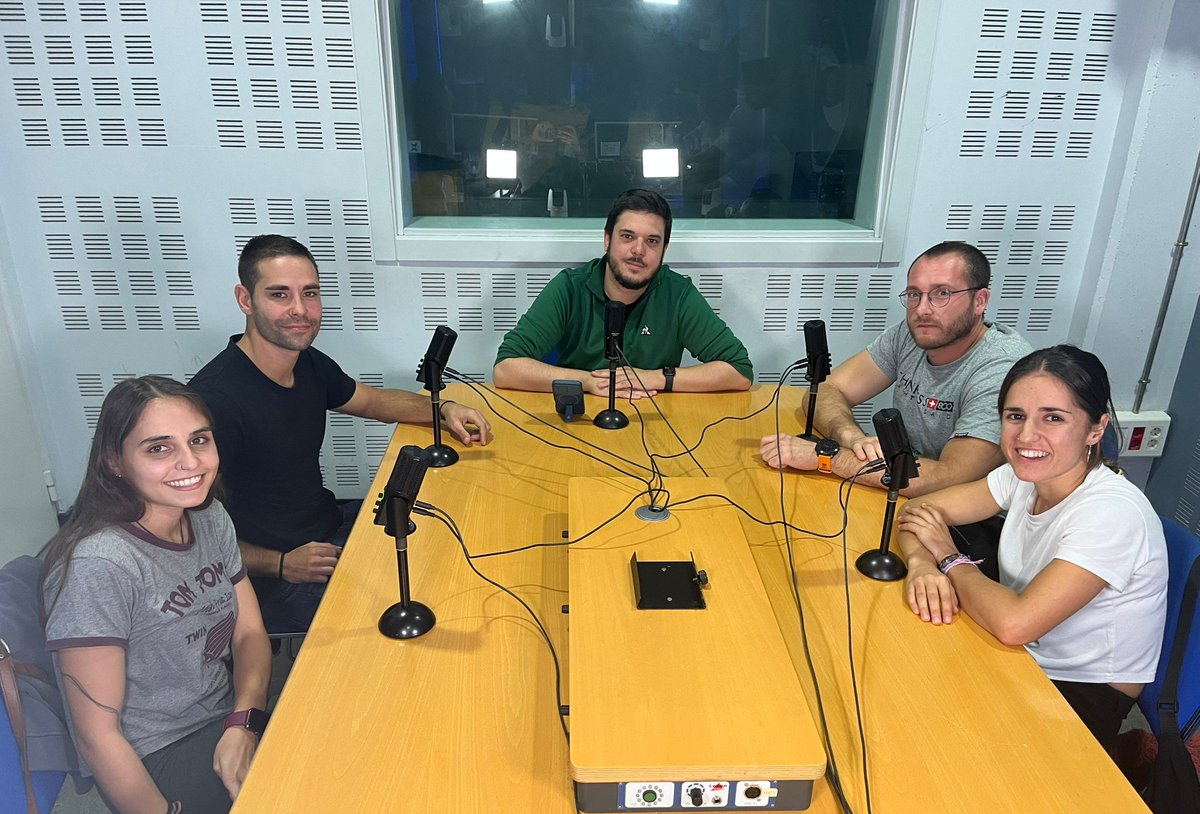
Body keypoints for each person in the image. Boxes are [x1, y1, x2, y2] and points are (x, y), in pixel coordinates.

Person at [190, 235, 492, 634]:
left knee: (447, 538)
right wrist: (280, 563)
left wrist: (444, 409)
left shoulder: (308, 363)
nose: (300, 310)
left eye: (309, 293)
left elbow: (374, 402)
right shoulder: (215, 402)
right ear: (245, 300)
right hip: (276, 576)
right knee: (421, 606)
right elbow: (185, 535)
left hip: (326, 526)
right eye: (280, 294)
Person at [42, 376, 271, 814]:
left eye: (199, 439)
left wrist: (244, 721)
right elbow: (98, 738)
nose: (189, 463)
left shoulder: (208, 516)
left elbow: (250, 633)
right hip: (152, 755)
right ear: (114, 462)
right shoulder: (100, 566)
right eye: (158, 448)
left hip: (220, 718)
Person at [896, 346, 1167, 752]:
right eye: (1015, 416)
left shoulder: (1112, 513)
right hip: (1018, 657)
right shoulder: (1024, 475)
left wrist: (949, 557)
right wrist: (921, 565)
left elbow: (1015, 624)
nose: (1026, 437)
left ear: (1096, 429)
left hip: (1077, 697)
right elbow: (918, 510)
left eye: (1053, 418)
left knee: (927, 733)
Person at [760, 241, 1032, 498]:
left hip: (962, 519)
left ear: (980, 300)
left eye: (942, 293)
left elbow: (947, 477)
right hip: (901, 489)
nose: (922, 309)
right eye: (915, 294)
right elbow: (827, 390)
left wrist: (826, 456)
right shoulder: (911, 335)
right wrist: (850, 436)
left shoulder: (1002, 370)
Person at [493, 188, 753, 399]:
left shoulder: (678, 294)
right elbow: (506, 369)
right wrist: (589, 381)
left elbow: (739, 371)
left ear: (664, 249)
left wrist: (654, 377)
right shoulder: (569, 288)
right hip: (581, 420)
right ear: (607, 240)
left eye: (652, 241)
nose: (638, 251)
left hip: (653, 421)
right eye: (627, 236)